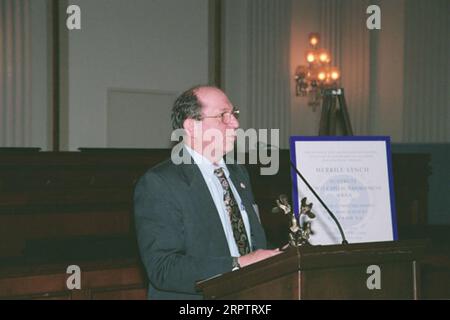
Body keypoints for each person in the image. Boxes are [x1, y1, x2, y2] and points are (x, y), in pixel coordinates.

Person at [134, 85, 280, 299]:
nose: (236, 123)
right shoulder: (160, 182)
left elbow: (252, 242)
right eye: (223, 116)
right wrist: (237, 265)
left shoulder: (238, 173)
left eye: (234, 114)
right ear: (192, 126)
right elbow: (163, 269)